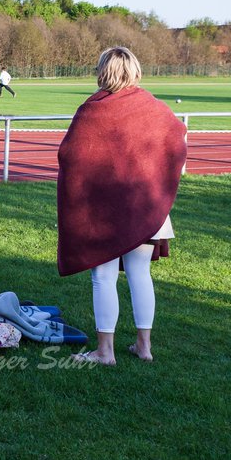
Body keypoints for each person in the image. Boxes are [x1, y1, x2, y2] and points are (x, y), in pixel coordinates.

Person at [58, 47, 186, 365]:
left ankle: (105, 352)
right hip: (146, 207)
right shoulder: (154, 108)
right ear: (136, 71)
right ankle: (143, 347)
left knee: (103, 276)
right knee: (140, 273)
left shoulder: (93, 110)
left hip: (104, 211)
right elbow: (177, 142)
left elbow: (70, 156)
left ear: (102, 71)